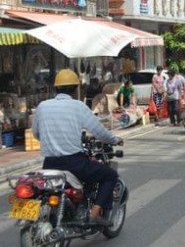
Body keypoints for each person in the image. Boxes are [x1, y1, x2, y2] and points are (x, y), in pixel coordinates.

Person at [33, 69, 123, 225]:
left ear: (56, 88)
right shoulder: (78, 106)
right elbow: (99, 131)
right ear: (75, 90)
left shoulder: (42, 106)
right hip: (74, 164)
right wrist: (115, 140)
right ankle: (95, 215)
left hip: (49, 164)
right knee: (110, 175)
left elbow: (37, 134)